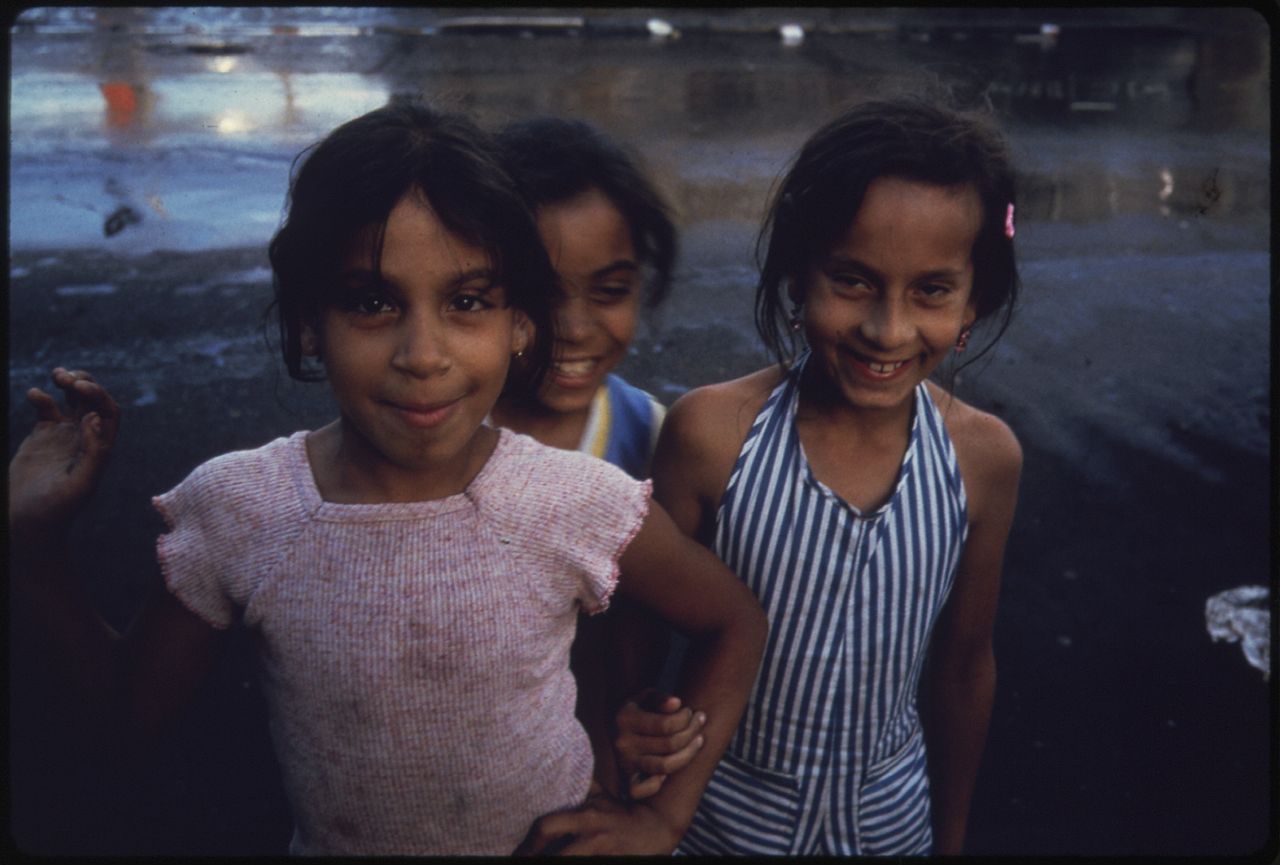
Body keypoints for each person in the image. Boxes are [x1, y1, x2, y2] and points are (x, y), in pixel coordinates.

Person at [7, 101, 767, 857]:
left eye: (467, 302)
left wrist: (663, 819)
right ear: (308, 320)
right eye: (373, 302)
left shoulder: (575, 500)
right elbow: (122, 718)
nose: (423, 353)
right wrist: (36, 549)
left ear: (519, 325)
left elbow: (733, 619)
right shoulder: (242, 509)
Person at [609, 98, 1024, 855]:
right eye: (854, 281)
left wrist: (951, 837)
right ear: (799, 278)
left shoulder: (984, 459)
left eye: (931, 289)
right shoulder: (711, 435)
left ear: (973, 301)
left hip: (892, 821)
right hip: (714, 817)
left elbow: (965, 666)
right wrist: (625, 726)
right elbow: (636, 633)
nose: (888, 329)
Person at [489, 117, 696, 799]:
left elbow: (658, 626)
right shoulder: (436, 429)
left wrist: (650, 718)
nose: (575, 328)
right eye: (541, 295)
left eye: (609, 290)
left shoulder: (651, 437)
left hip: (597, 784)